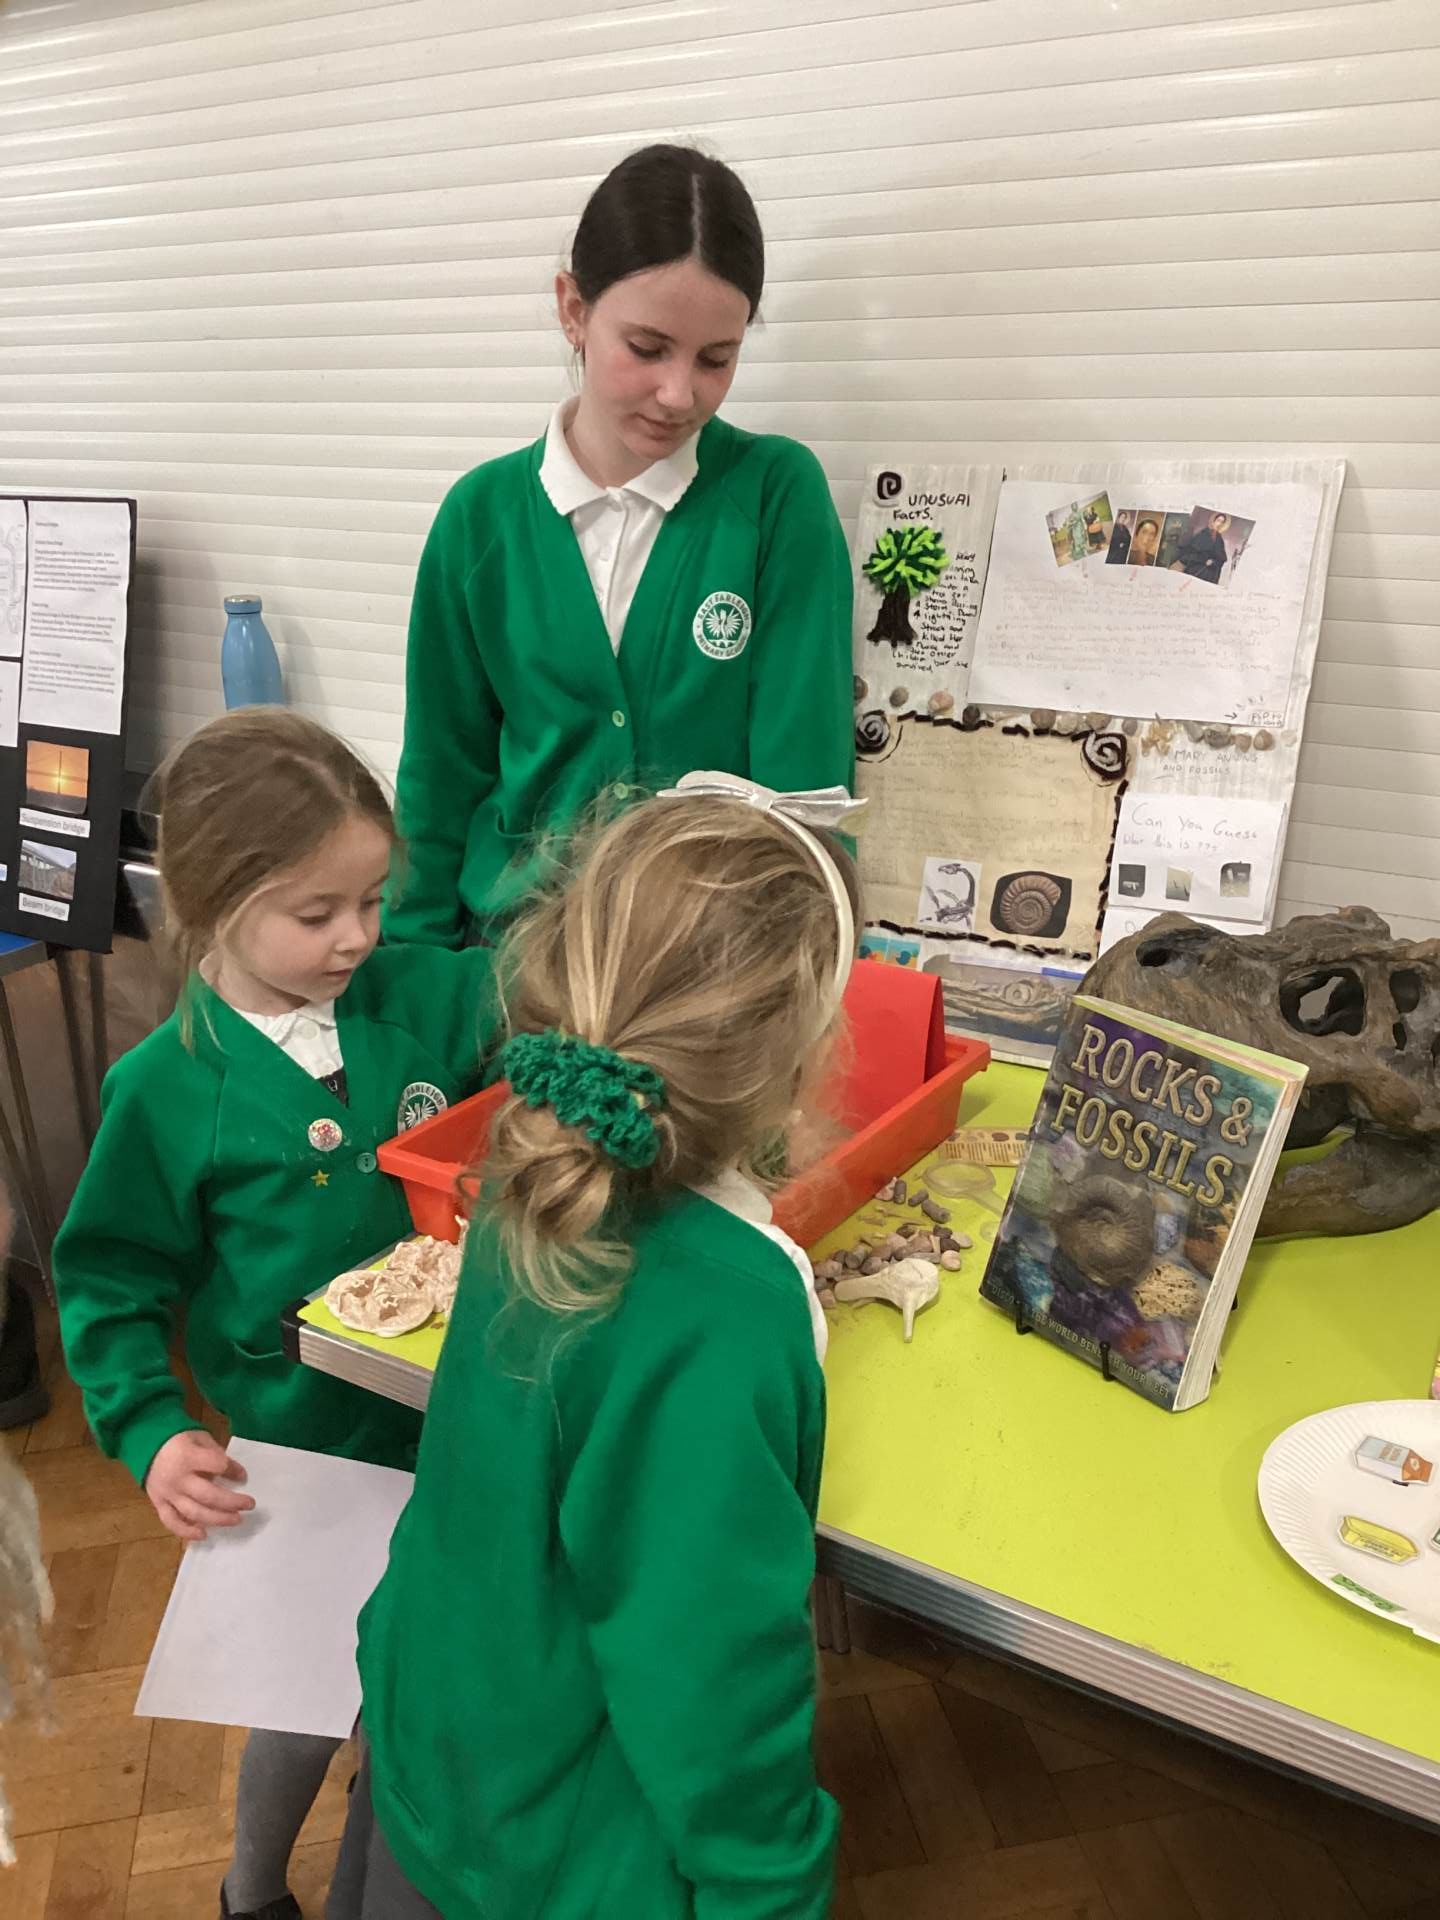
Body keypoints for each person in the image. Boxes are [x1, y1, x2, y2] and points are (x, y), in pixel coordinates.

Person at [329, 773, 864, 1919]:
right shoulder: (729, 1313)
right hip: (557, 1859)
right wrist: (771, 1888)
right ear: (803, 1059)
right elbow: (710, 1667)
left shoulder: (530, 1170)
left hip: (433, 1744)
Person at [52, 710, 499, 1920]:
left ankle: (386, 1834)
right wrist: (153, 1431)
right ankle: (250, 1890)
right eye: (317, 914)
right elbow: (109, 1280)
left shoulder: (416, 990)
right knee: (302, 1705)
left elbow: (537, 996)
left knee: (424, 1679)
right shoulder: (164, 1090)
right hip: (302, 1454)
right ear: (209, 906)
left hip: (456, 1427)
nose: (359, 935)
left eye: (374, 900)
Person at [385, 144, 855, 949]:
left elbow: (803, 806)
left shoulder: (776, 499)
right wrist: (408, 977)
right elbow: (438, 781)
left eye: (717, 359)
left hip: (703, 976)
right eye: (646, 348)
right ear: (573, 309)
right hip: (507, 966)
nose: (679, 393)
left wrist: (793, 976)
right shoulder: (479, 520)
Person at [1174, 511, 1231, 585]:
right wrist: (1203, 560)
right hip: (1196, 568)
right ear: (1213, 521)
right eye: (1218, 520)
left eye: (1222, 522)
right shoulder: (1203, 533)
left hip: (1209, 574)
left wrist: (1213, 562)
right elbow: (1191, 551)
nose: (1219, 524)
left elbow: (1221, 559)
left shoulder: (1219, 539)